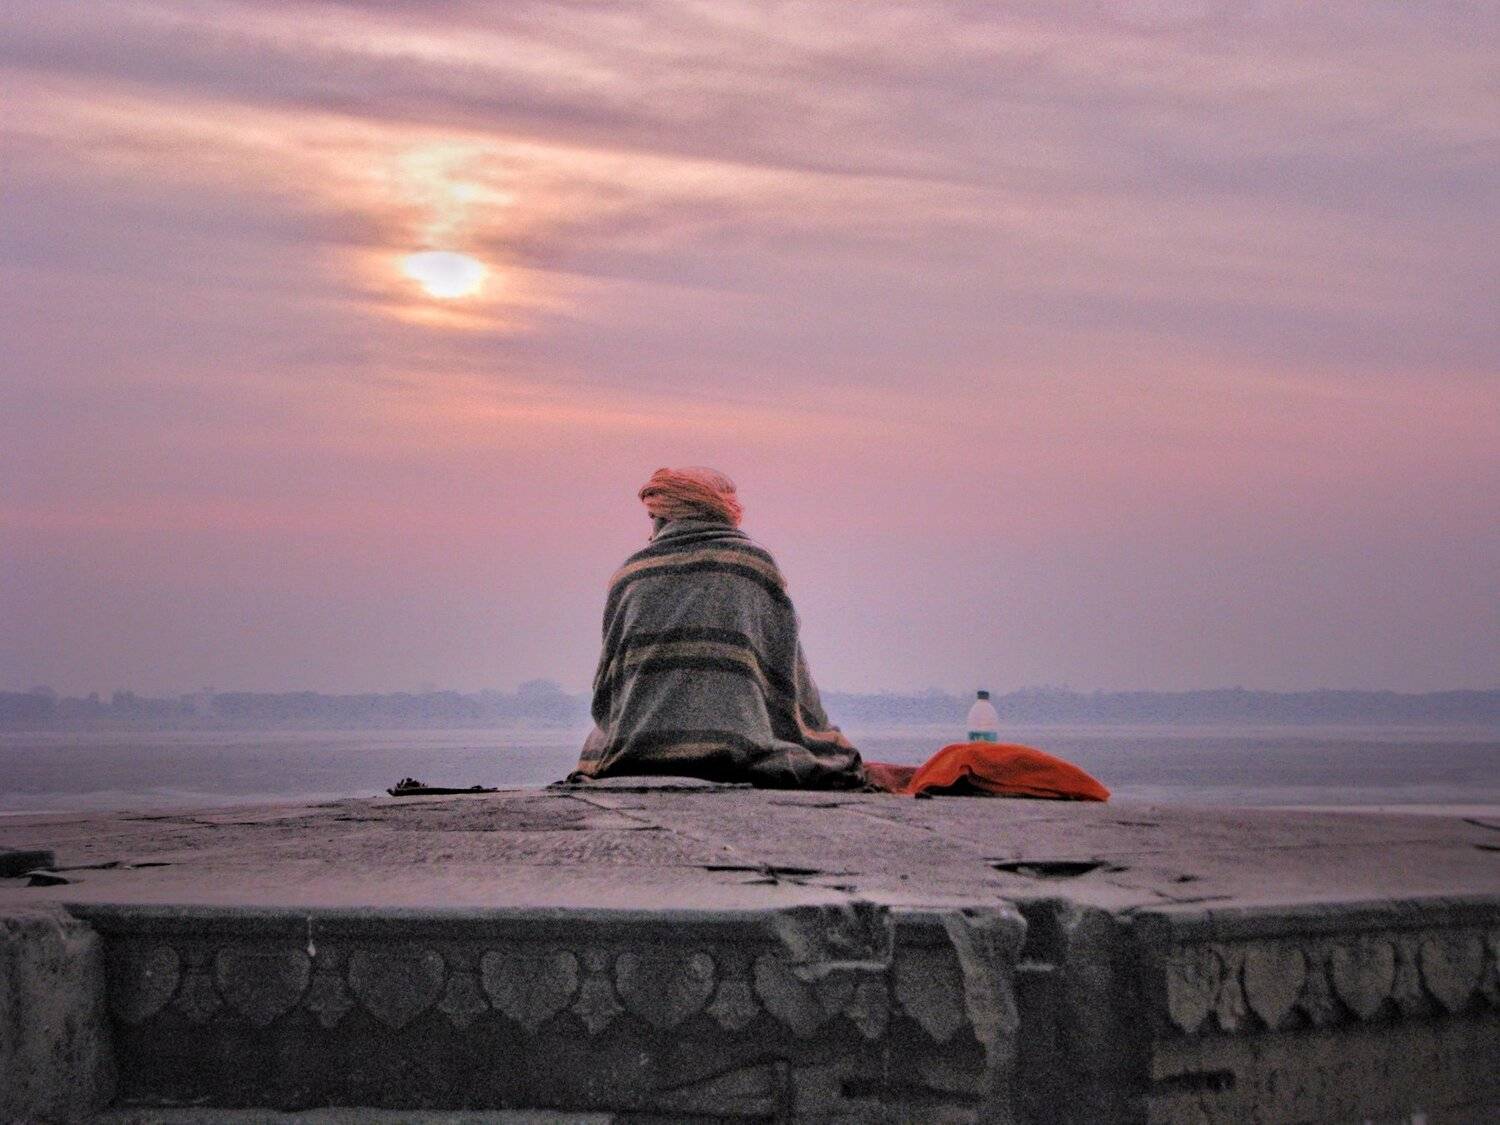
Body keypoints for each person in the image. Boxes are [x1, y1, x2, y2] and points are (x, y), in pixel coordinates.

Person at [569, 467, 865, 788]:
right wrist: (814, 729)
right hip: (736, 745)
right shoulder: (748, 562)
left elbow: (607, 687)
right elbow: (786, 669)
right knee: (832, 755)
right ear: (723, 512)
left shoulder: (630, 573)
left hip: (633, 748)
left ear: (661, 515)